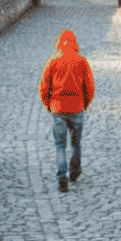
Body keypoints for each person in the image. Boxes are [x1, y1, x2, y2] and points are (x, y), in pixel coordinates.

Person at [40, 28, 95, 193]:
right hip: (77, 108)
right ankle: (75, 171)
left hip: (58, 109)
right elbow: (89, 88)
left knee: (60, 146)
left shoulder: (53, 62)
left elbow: (44, 88)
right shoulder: (82, 62)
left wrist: (49, 105)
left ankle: (62, 176)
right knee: (76, 143)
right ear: (75, 45)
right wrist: (83, 104)